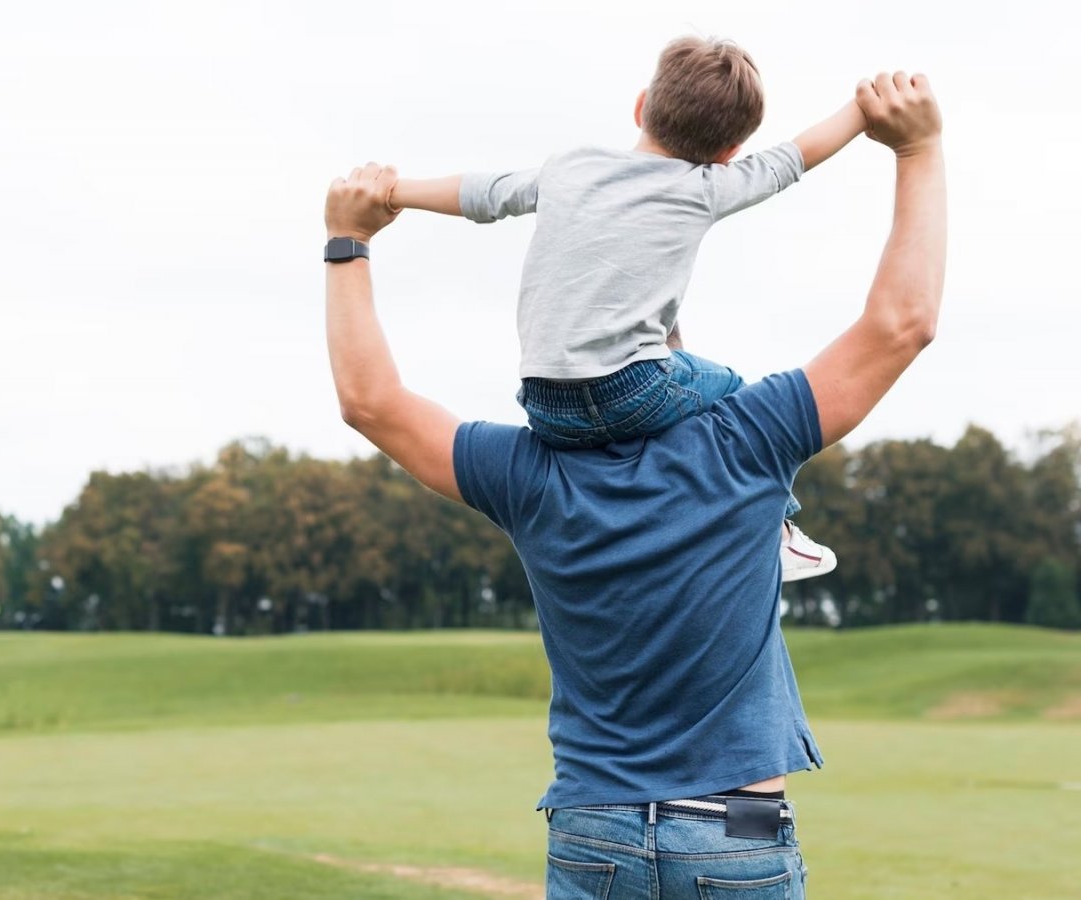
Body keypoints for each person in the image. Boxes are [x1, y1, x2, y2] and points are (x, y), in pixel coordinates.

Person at [321, 70, 943, 898]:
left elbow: (371, 403)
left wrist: (346, 240)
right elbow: (902, 324)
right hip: (735, 832)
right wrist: (920, 148)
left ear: (640, 111)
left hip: (591, 832)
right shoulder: (749, 438)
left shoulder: (528, 473)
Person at [388, 36, 872, 582]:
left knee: (673, 347)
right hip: (630, 392)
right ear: (730, 153)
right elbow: (793, 158)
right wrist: (862, 110)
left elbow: (483, 194)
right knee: (733, 390)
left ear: (642, 105)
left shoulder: (570, 167)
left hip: (545, 404)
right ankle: (779, 531)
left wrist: (394, 192)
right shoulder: (706, 186)